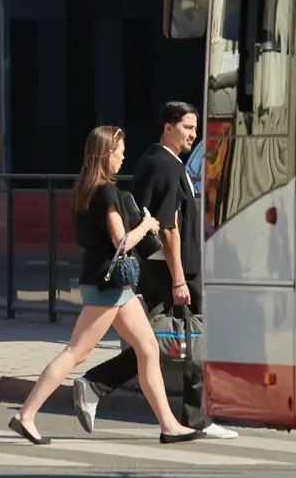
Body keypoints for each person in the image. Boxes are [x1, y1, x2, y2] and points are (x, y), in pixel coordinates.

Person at [10, 125, 204, 445]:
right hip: (108, 285)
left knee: (148, 348)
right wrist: (146, 224)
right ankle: (26, 415)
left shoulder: (86, 188)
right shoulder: (105, 190)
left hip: (111, 284)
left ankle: (169, 425)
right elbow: (122, 242)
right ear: (106, 154)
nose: (123, 157)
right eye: (119, 153)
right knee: (76, 352)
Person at [74, 102, 237, 439]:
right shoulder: (167, 166)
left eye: (195, 128)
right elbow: (168, 228)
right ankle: (195, 418)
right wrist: (179, 278)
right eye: (188, 127)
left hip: (160, 266)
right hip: (174, 269)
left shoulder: (155, 161)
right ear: (168, 126)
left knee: (151, 342)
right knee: (197, 338)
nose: (194, 134)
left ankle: (96, 386)